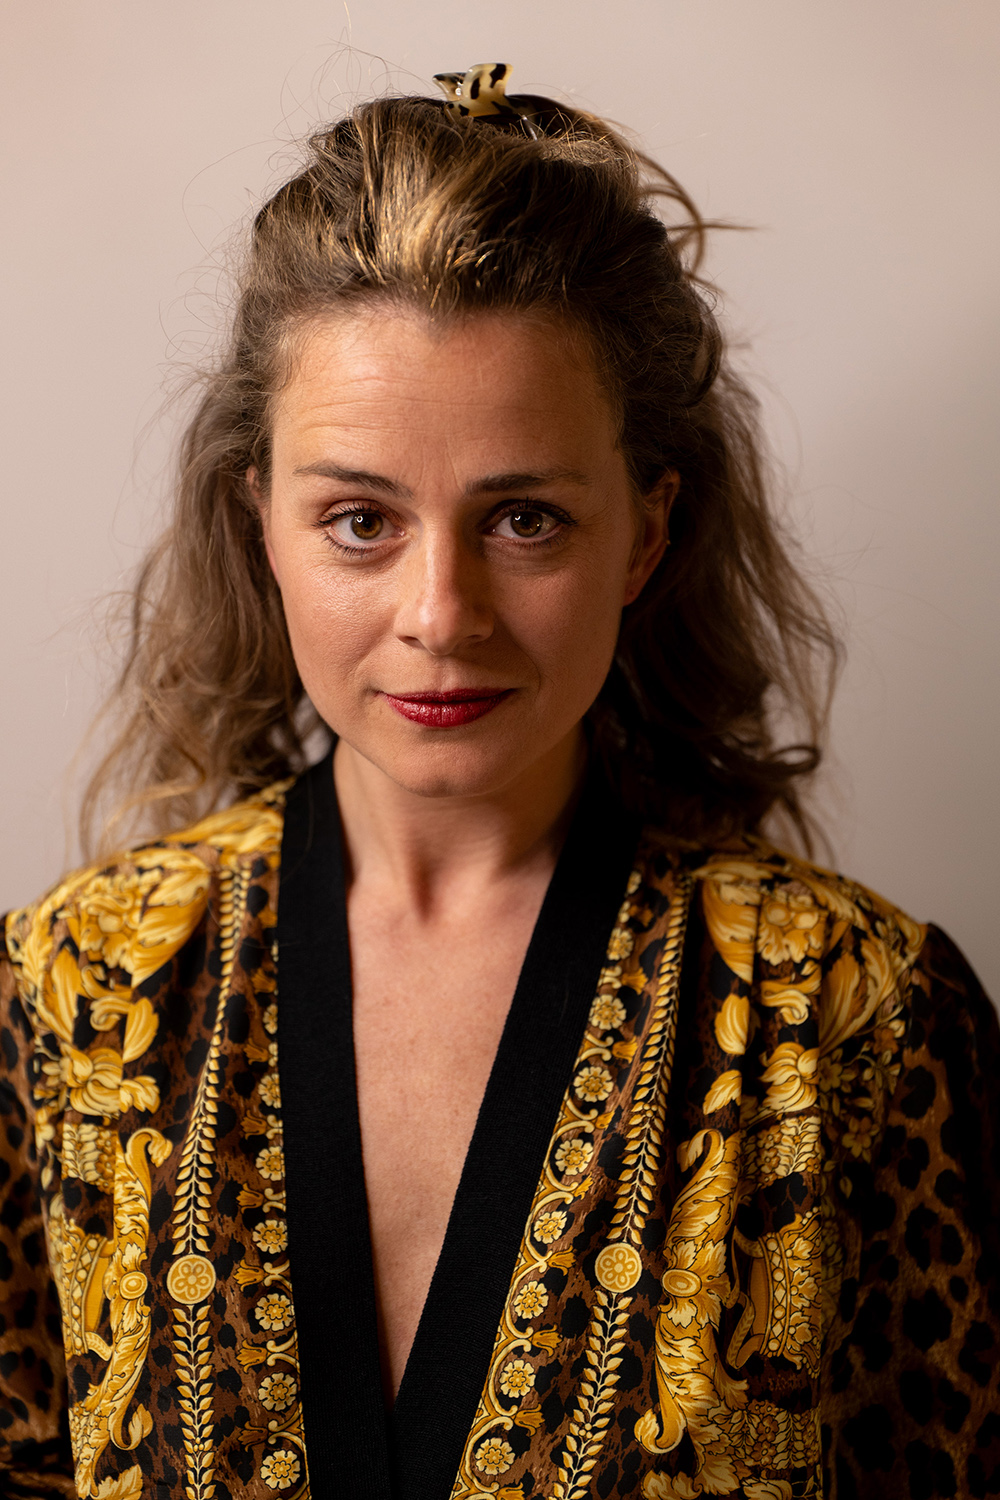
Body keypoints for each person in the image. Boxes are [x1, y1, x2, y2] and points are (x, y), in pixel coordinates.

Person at [1, 64, 997, 1500]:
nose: (442, 615)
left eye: (524, 518)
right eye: (360, 520)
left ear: (645, 534)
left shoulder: (854, 1018)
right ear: (261, 525)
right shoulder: (71, 996)